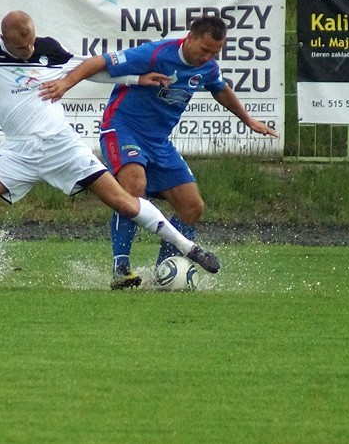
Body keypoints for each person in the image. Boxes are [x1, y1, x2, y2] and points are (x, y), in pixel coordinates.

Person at [0, 9, 220, 290]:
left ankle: (191, 250)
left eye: (32, 42)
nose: (30, 50)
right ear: (3, 39)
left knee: (124, 201)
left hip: (62, 146)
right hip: (18, 151)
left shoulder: (47, 49)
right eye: (22, 47)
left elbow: (88, 68)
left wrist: (135, 78)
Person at [40, 16, 279, 282]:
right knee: (133, 186)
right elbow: (99, 62)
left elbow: (219, 88)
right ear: (190, 38)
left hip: (158, 142)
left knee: (192, 206)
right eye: (204, 50)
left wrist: (247, 120)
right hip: (122, 129)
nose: (207, 57)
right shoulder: (155, 54)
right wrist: (64, 85)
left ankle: (165, 269)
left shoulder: (208, 68)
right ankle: (121, 268)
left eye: (214, 53)